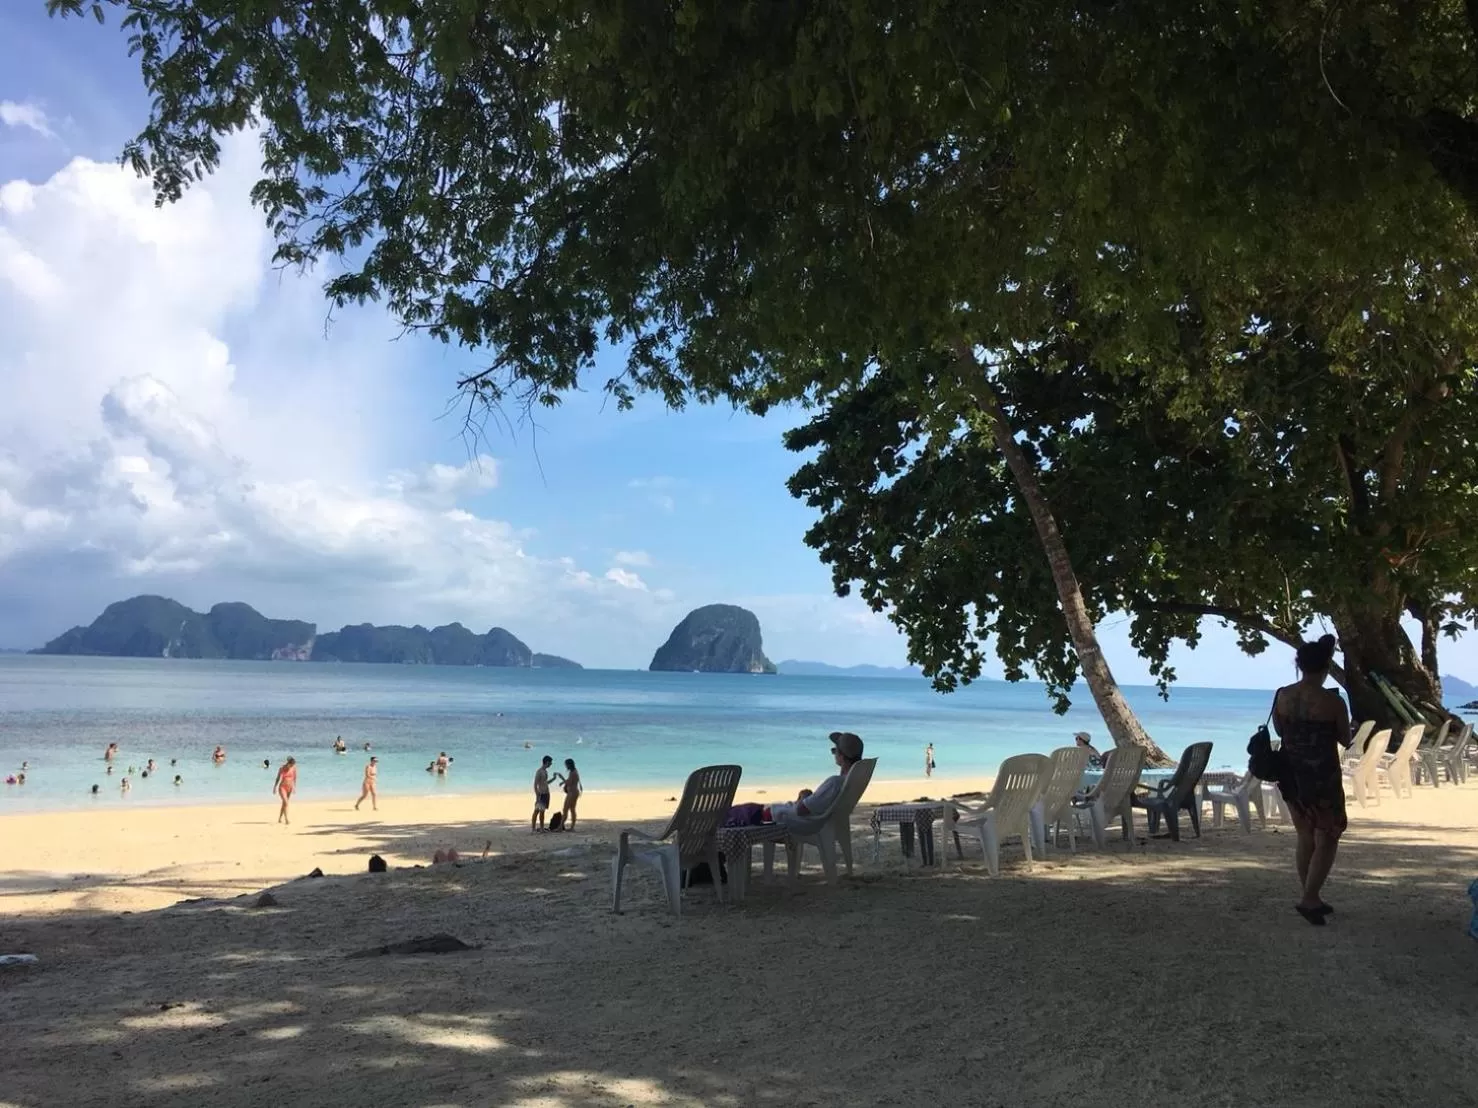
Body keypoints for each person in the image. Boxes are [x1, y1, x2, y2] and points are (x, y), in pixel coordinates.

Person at [1273, 634, 1353, 926]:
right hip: (1323, 777)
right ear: (1326, 666)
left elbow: (1281, 732)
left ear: (1300, 664)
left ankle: (1311, 895)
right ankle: (1309, 898)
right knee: (1328, 836)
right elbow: (1346, 739)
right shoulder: (1333, 702)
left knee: (1305, 833)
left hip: (1292, 775)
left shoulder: (1282, 695)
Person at [766, 732, 865, 826]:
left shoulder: (835, 783)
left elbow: (801, 810)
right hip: (815, 819)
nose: (833, 754)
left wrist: (804, 796)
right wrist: (810, 798)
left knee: (751, 809)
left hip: (784, 817)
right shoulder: (851, 783)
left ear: (842, 756)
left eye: (834, 750)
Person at [558, 758, 582, 831]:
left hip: (572, 793)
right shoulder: (574, 771)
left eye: (566, 764)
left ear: (569, 765)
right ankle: (572, 827)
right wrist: (563, 783)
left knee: (565, 809)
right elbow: (570, 780)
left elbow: (569, 783)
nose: (565, 766)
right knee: (572, 809)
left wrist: (561, 778)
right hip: (574, 792)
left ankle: (560, 827)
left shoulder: (573, 772)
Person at [273, 757, 298, 825]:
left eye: (293, 765)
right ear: (288, 763)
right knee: (286, 803)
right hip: (282, 787)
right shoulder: (282, 768)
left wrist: (294, 787)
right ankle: (287, 819)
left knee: (284, 804)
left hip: (290, 788)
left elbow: (295, 778)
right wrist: (275, 787)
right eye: (291, 765)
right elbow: (278, 778)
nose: (292, 766)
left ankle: (280, 818)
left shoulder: (294, 768)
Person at [531, 756, 554, 831]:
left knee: (542, 811)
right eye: (550, 762)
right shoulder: (539, 771)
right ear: (547, 762)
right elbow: (535, 784)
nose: (551, 764)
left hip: (546, 793)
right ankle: (534, 828)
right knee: (537, 811)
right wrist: (537, 794)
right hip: (541, 793)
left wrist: (553, 779)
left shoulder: (545, 771)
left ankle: (541, 828)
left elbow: (545, 783)